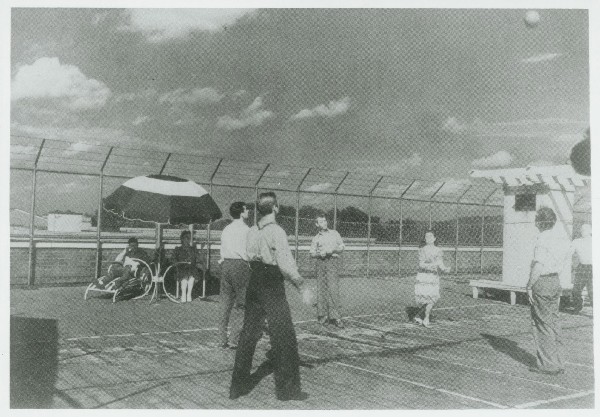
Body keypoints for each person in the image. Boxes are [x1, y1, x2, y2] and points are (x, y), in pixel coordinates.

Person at [229, 192, 314, 402]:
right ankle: (288, 390)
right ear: (275, 208)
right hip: (271, 283)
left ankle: (237, 387)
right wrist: (302, 286)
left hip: (254, 281)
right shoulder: (276, 231)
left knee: (248, 333)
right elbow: (286, 265)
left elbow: (248, 257)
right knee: (283, 336)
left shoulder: (251, 231)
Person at [526, 207, 571, 375]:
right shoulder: (561, 238)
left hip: (543, 281)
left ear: (539, 222)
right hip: (555, 280)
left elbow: (539, 264)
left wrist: (529, 285)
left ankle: (548, 364)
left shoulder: (542, 238)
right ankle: (559, 361)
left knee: (542, 324)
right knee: (554, 321)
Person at [219, 202, 251, 349]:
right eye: (246, 209)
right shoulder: (246, 230)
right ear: (242, 212)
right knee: (241, 303)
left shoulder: (226, 229)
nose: (248, 211)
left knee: (225, 303)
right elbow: (248, 253)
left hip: (226, 265)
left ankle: (221, 338)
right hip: (240, 265)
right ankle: (234, 339)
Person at [309, 213, 345, 327]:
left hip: (332, 263)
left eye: (325, 221)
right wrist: (320, 254)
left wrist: (332, 250)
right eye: (321, 222)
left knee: (333, 290)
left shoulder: (334, 233)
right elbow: (312, 253)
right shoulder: (316, 238)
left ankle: (336, 318)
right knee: (321, 290)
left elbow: (342, 247)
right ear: (316, 224)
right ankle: (323, 316)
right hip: (321, 263)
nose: (324, 223)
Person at [413, 230, 450, 328]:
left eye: (430, 236)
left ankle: (418, 316)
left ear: (434, 238)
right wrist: (432, 266)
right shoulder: (422, 249)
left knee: (432, 298)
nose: (428, 238)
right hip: (423, 276)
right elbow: (421, 264)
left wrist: (445, 269)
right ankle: (426, 318)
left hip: (433, 276)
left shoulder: (438, 250)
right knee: (427, 299)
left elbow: (440, 262)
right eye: (426, 237)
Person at [568, 223, 593, 313]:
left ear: (591, 230)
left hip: (593, 268)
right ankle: (578, 307)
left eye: (585, 229)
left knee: (592, 291)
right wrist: (570, 263)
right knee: (576, 290)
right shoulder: (576, 241)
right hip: (582, 267)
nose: (583, 231)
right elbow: (569, 253)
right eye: (582, 229)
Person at [172, 230, 199, 303]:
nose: (188, 240)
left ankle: (189, 294)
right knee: (184, 276)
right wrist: (176, 263)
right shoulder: (178, 249)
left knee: (192, 275)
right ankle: (184, 294)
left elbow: (197, 258)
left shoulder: (193, 249)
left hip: (191, 268)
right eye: (186, 238)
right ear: (182, 239)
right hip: (181, 268)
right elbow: (173, 259)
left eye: (189, 238)